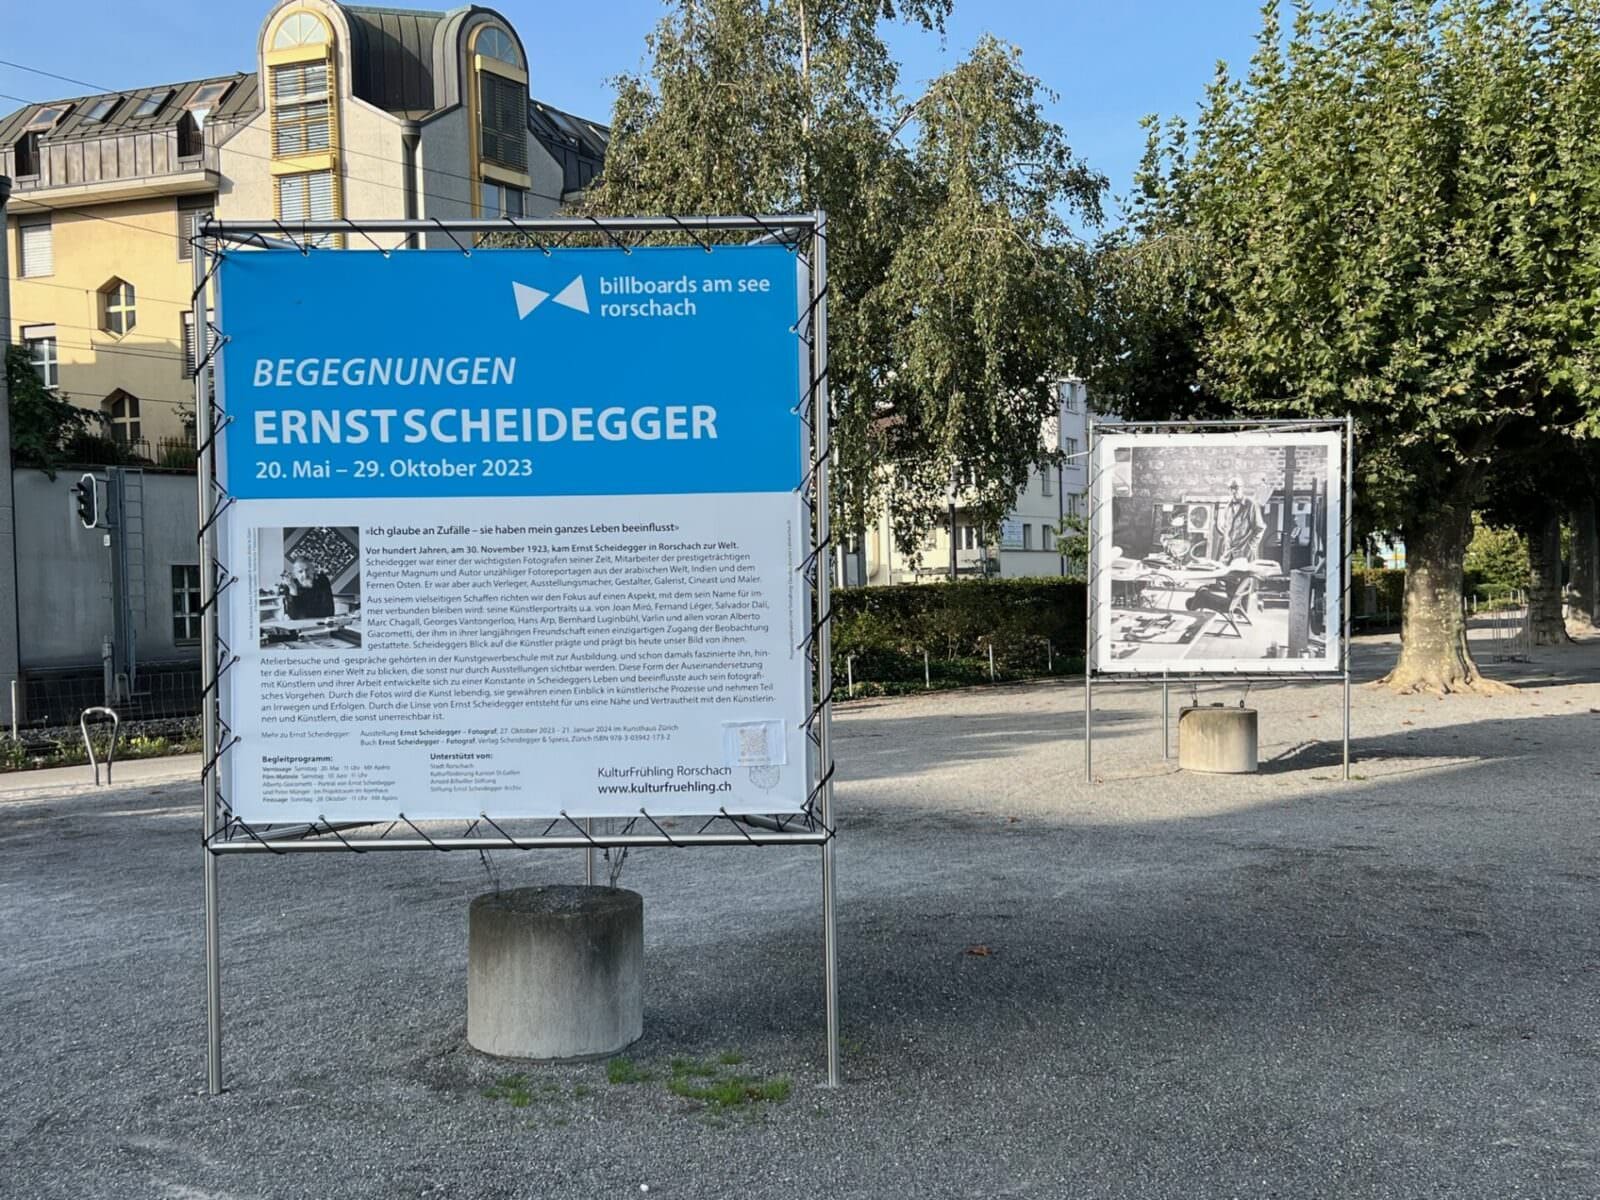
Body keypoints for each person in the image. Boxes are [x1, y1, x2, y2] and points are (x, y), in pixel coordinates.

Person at [1220, 477, 1264, 562]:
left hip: (1245, 553)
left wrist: (1250, 546)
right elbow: (1226, 528)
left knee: (1244, 571)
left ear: (1242, 488)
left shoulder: (1251, 505)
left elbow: (1260, 528)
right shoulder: (1228, 507)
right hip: (1229, 553)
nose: (1233, 491)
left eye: (1236, 488)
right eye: (1231, 488)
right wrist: (1226, 545)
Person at [278, 554, 335, 620]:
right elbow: (294, 616)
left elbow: (329, 611)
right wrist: (293, 589)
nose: (305, 575)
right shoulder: (290, 585)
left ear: (313, 570)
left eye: (307, 570)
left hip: (322, 621)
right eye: (300, 572)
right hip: (302, 624)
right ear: (295, 575)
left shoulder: (322, 580)